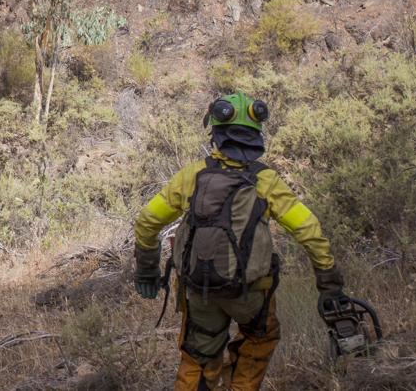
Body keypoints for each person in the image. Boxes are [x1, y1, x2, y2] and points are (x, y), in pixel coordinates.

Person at [133, 92, 347, 391]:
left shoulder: (192, 175)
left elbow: (146, 222)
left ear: (216, 134)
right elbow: (308, 230)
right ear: (256, 135)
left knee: (197, 357)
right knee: (260, 338)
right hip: (251, 295)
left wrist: (146, 269)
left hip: (199, 290)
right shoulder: (266, 180)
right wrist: (329, 282)